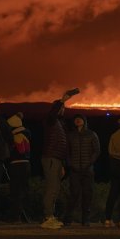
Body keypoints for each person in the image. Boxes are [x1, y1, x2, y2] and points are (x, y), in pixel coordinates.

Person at [41, 92, 74, 229]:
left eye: (64, 108)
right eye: (61, 108)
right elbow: (52, 114)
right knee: (52, 189)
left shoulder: (60, 124)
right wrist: (61, 101)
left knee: (55, 189)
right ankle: (48, 218)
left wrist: (63, 164)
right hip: (50, 158)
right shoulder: (51, 121)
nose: (63, 110)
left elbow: (64, 145)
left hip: (57, 160)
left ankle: (51, 216)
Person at [64, 114, 100, 227]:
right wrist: (70, 164)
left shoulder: (91, 134)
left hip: (87, 169)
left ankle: (86, 219)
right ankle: (68, 218)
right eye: (76, 119)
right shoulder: (70, 135)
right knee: (74, 194)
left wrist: (89, 162)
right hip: (74, 170)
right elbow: (67, 152)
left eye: (80, 119)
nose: (78, 120)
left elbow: (97, 150)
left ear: (84, 121)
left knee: (87, 194)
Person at [7, 113, 31, 223]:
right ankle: (23, 215)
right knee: (23, 190)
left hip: (16, 165)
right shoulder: (26, 134)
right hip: (26, 164)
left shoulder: (14, 136)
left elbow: (15, 151)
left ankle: (15, 216)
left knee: (15, 191)